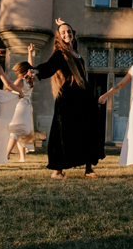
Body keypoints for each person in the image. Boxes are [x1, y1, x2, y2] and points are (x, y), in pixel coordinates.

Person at [31, 20, 105, 179]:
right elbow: (49, 67)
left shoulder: (75, 51)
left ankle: (88, 168)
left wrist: (64, 24)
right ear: (58, 36)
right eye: (63, 32)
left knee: (88, 129)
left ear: (73, 33)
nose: (66, 34)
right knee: (63, 131)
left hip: (84, 95)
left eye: (69, 31)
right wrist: (35, 71)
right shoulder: (60, 54)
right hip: (69, 97)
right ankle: (57, 170)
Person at [7, 56, 37, 162]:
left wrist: (11, 93)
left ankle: (7, 153)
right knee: (21, 133)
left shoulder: (21, 81)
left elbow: (10, 87)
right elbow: (31, 66)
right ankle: (22, 157)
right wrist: (30, 52)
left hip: (19, 106)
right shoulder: (31, 80)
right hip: (27, 108)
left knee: (14, 131)